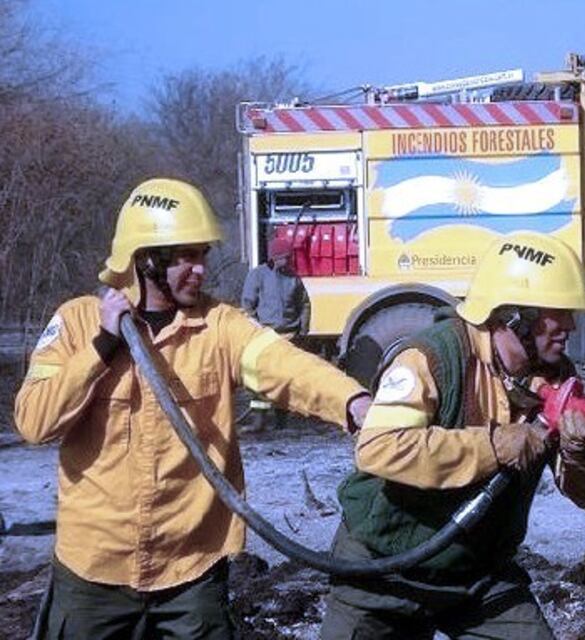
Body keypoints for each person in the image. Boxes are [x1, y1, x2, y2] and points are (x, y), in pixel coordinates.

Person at [14, 178, 371, 639]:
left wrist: (354, 402)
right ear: (145, 258)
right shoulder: (77, 321)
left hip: (191, 575)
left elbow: (286, 366)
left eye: (201, 254)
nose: (199, 269)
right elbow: (33, 421)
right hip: (93, 574)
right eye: (184, 256)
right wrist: (102, 345)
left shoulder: (219, 327)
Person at [320, 231, 585, 640]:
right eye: (559, 312)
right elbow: (378, 448)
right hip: (382, 568)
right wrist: (496, 445)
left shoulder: (556, 379)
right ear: (514, 315)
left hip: (476, 576)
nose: (569, 325)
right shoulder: (430, 358)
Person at [240, 235, 311, 432]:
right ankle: (259, 421)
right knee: (259, 379)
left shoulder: (293, 279)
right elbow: (247, 305)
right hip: (265, 337)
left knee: (284, 380)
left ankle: (282, 422)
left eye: (289, 258)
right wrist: (256, 327)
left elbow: (304, 304)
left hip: (289, 336)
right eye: (284, 258)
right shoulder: (258, 275)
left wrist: (302, 330)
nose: (288, 261)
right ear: (273, 258)